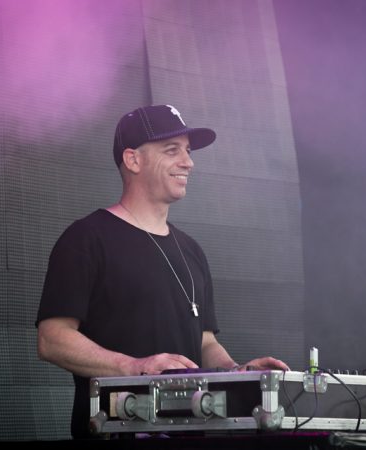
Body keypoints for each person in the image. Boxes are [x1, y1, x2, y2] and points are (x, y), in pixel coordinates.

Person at [36, 104, 290, 439]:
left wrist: (237, 372)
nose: (188, 162)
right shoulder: (86, 238)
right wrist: (135, 368)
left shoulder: (191, 250)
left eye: (188, 151)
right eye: (172, 150)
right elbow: (52, 339)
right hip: (114, 434)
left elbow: (205, 341)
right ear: (133, 160)